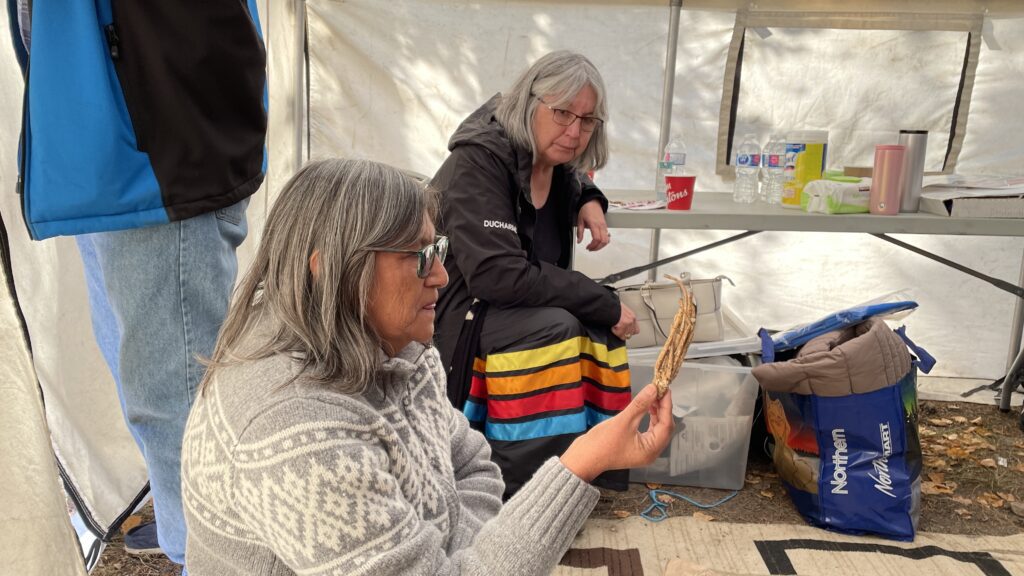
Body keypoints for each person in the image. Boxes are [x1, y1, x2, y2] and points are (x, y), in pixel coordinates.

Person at [180, 158, 673, 575]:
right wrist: (582, 464)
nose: (440, 275)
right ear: (329, 267)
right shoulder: (294, 429)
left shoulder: (396, 347)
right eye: (418, 256)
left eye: (437, 250)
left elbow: (473, 463)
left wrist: (450, 553)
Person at [9, 3, 267, 571]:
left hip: (155, 152)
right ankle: (191, 539)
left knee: (175, 396)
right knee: (152, 388)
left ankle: (205, 556)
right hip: (109, 147)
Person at [431, 50, 639, 496]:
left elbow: (574, 169)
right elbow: (496, 275)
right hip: (457, 314)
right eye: (562, 112)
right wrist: (601, 299)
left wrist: (589, 195)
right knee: (557, 329)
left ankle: (580, 471)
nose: (574, 131)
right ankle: (522, 490)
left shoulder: (558, 165)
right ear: (529, 103)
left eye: (586, 121)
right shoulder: (480, 160)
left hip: (503, 308)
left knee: (600, 330)